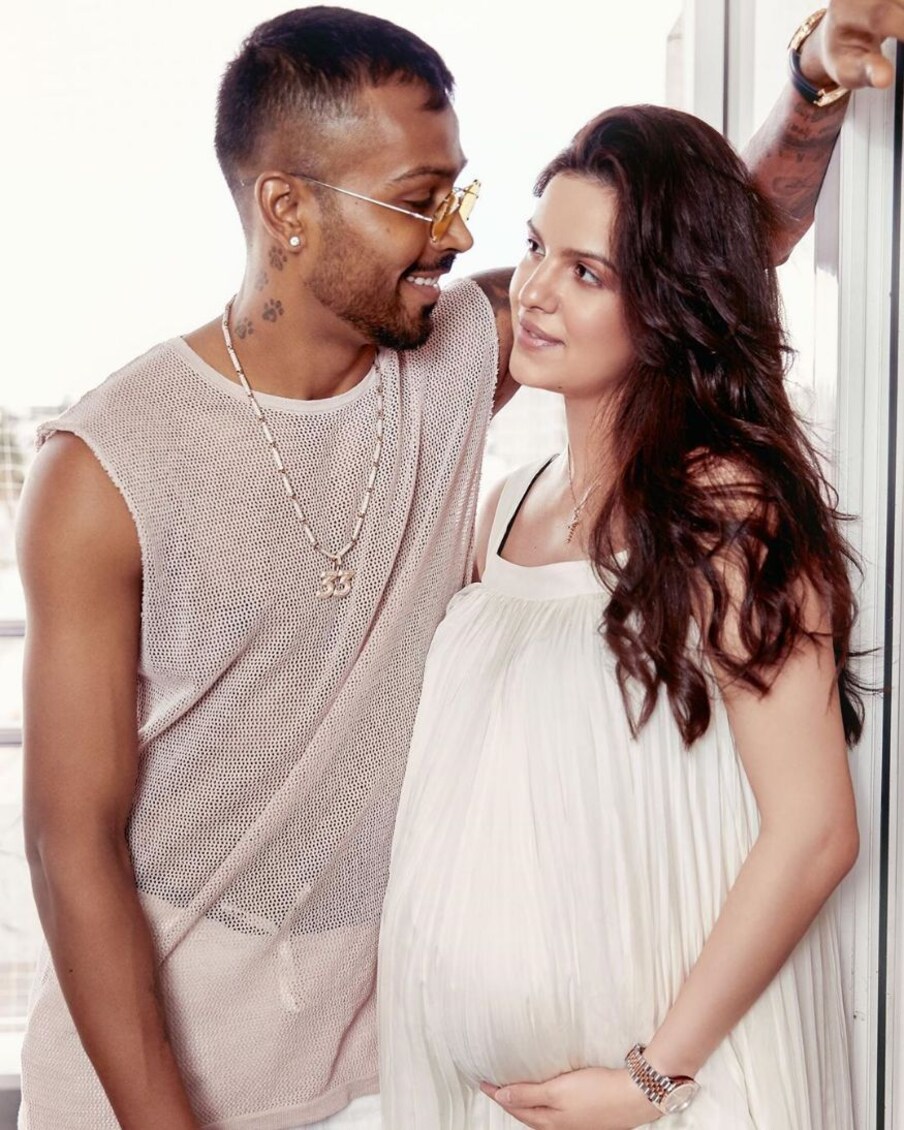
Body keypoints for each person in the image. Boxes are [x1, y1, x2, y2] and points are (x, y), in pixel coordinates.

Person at [14, 3, 901, 1128]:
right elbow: (68, 848)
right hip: (148, 1085)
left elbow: (694, 256)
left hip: (382, 1079)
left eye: (460, 191)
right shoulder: (104, 468)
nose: (456, 233)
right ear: (286, 208)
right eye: (417, 198)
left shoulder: (449, 352)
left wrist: (813, 85)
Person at [377, 103, 865, 1130]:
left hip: (668, 1093)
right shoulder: (506, 506)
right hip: (486, 1099)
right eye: (534, 248)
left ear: (673, 303)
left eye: (588, 272)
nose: (536, 292)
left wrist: (651, 1078)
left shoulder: (727, 515)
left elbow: (815, 832)